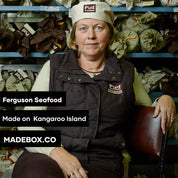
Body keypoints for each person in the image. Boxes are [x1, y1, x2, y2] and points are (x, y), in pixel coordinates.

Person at [12, 1, 176, 178]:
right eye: (83, 29)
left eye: (99, 28)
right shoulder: (53, 67)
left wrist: (164, 100)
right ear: (74, 37)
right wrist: (57, 152)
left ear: (111, 35)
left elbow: (150, 112)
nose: (91, 35)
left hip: (102, 160)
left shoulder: (127, 73)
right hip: (46, 155)